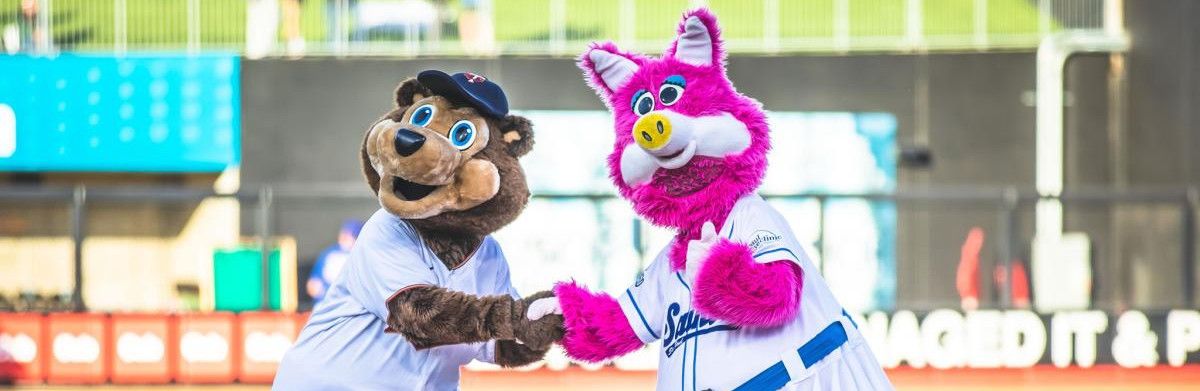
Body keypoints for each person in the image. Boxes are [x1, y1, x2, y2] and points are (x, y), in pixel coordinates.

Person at [306, 220, 361, 304]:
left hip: (349, 306)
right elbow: (312, 285)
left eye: (350, 235)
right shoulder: (329, 253)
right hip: (324, 304)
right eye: (344, 234)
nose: (345, 238)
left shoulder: (361, 257)